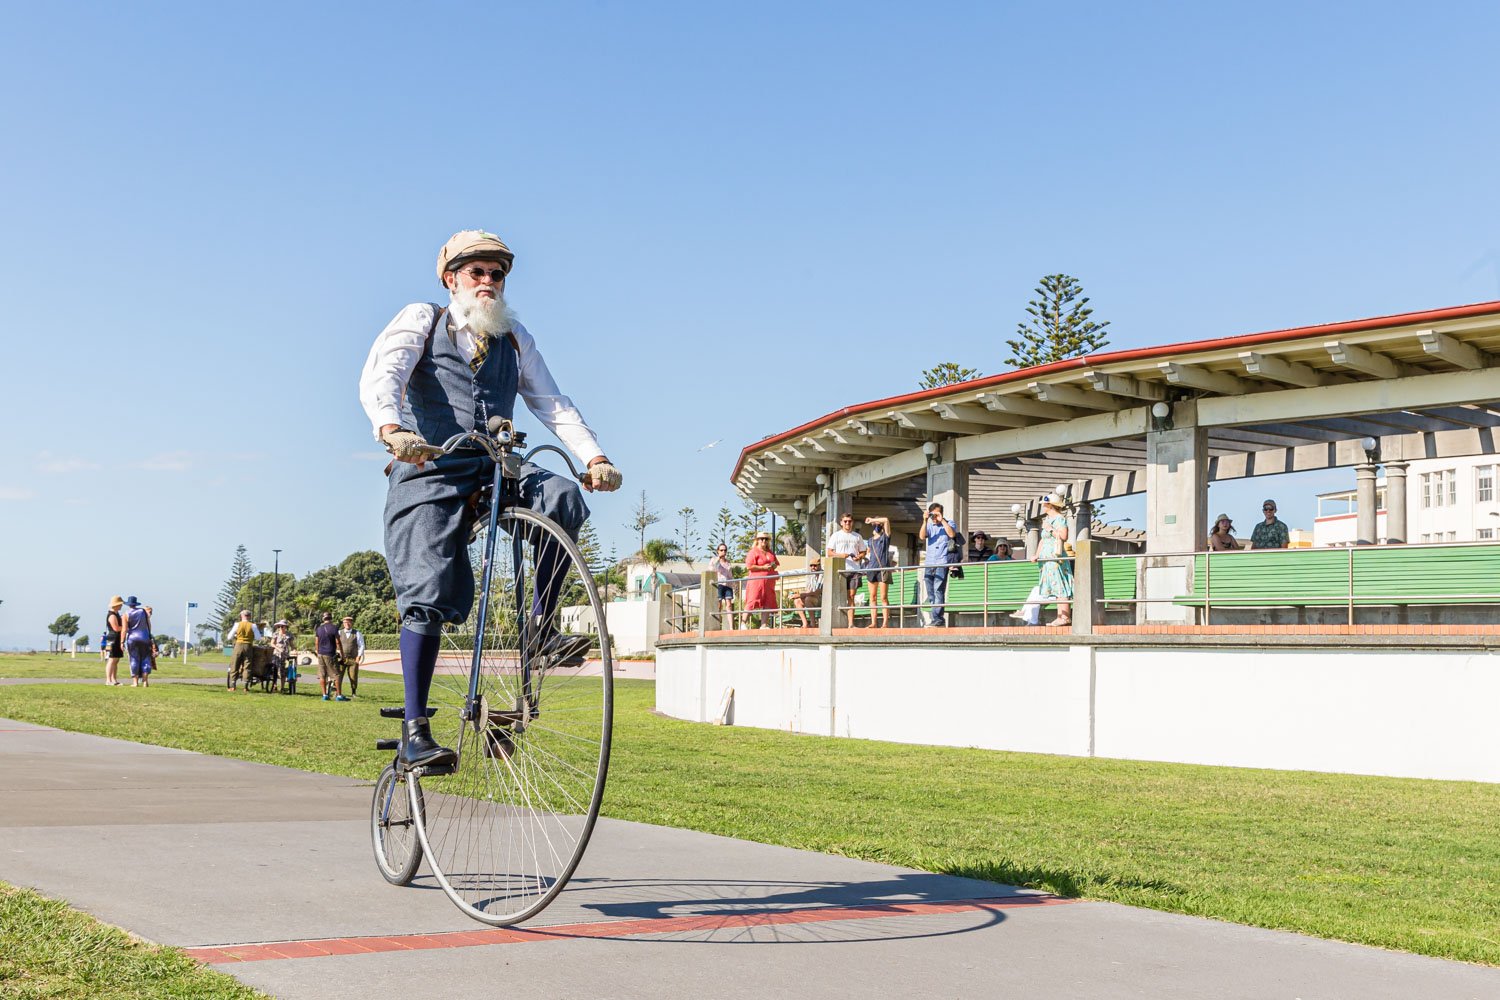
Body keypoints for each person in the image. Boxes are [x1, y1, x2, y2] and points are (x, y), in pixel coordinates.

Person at [359, 229, 623, 770]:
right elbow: (384, 372)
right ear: (451, 278)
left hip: (495, 462)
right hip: (430, 459)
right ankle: (415, 730)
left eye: (497, 275)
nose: (489, 283)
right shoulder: (423, 319)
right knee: (427, 582)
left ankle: (541, 631)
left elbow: (552, 402)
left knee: (562, 498)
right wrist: (390, 427)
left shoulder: (514, 336)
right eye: (477, 272)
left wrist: (594, 457)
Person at [1036, 494, 1074, 626]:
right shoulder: (1047, 519)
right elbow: (1043, 539)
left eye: (1044, 504)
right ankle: (1060, 616)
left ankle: (1065, 617)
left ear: (1050, 505)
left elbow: (1064, 536)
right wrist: (1036, 554)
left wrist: (1050, 529)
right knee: (1054, 585)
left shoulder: (1059, 519)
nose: (1042, 506)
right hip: (1046, 558)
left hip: (1056, 557)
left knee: (1060, 585)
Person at [825, 513, 868, 627]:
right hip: (840, 570)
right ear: (841, 523)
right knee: (840, 596)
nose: (847, 523)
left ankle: (850, 623)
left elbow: (863, 551)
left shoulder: (857, 536)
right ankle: (836, 623)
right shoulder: (836, 535)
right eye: (845, 521)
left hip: (854, 570)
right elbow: (829, 553)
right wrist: (840, 555)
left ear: (852, 522)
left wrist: (859, 556)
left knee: (852, 596)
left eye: (849, 521)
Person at [921, 502, 958, 627]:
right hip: (929, 563)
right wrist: (925, 520)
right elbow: (922, 536)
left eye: (936, 514)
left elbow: (952, 534)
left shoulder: (949, 523)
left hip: (942, 562)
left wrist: (942, 520)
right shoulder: (930, 525)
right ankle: (935, 617)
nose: (934, 518)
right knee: (930, 591)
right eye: (933, 515)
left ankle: (938, 619)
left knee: (938, 590)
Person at [742, 532, 779, 628]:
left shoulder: (770, 552)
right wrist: (763, 567)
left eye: (766, 539)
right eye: (761, 538)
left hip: (769, 581)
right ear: (757, 540)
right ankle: (743, 623)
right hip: (756, 581)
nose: (764, 541)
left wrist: (772, 566)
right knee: (752, 600)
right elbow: (749, 567)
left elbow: (775, 563)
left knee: (768, 601)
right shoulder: (753, 552)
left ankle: (763, 624)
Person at [862, 516, 893, 628]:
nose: (877, 526)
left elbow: (886, 520)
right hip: (871, 569)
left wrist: (873, 520)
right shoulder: (870, 541)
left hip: (883, 569)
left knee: (883, 597)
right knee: (872, 596)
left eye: (878, 524)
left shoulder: (885, 537)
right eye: (875, 524)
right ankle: (874, 622)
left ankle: (885, 623)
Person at [313, 612, 347, 702]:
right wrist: (342, 654)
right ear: (331, 618)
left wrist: (318, 652)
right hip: (330, 654)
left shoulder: (319, 629)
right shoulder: (334, 628)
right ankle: (339, 696)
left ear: (323, 619)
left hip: (321, 654)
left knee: (322, 675)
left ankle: (324, 695)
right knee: (336, 675)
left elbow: (316, 642)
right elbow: (338, 642)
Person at [225, 610, 261, 692]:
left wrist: (236, 635)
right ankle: (245, 686)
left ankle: (233, 686)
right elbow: (258, 637)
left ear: (241, 616)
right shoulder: (253, 625)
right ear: (249, 616)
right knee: (247, 665)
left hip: (238, 645)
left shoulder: (237, 624)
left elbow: (229, 637)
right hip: (248, 646)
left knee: (235, 664)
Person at [121, 597, 153, 688]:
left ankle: (135, 682)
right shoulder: (143, 612)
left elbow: (124, 629)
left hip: (132, 638)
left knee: (134, 659)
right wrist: (149, 634)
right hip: (144, 637)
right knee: (146, 658)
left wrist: (122, 642)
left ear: (128, 604)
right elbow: (148, 624)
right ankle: (145, 681)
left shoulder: (125, 614)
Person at [337, 616, 366, 697]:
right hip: (341, 659)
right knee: (339, 676)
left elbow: (361, 645)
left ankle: (353, 692)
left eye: (349, 622)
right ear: (343, 623)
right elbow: (335, 644)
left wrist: (358, 657)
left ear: (352, 623)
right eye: (345, 622)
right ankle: (338, 692)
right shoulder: (339, 633)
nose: (347, 624)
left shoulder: (357, 633)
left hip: (353, 659)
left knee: (353, 676)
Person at [791, 556, 824, 627]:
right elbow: (808, 591)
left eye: (815, 565)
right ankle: (805, 624)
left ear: (819, 565)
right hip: (814, 599)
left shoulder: (823, 575)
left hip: (823, 600)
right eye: (811, 566)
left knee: (808, 599)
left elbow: (817, 592)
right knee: (797, 601)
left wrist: (801, 595)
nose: (813, 567)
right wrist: (797, 595)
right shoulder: (812, 577)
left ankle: (813, 623)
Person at [709, 543, 735, 628]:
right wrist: (718, 558)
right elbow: (711, 569)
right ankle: (717, 625)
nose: (723, 552)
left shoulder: (728, 563)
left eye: (725, 550)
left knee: (729, 605)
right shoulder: (714, 560)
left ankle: (731, 627)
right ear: (718, 551)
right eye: (721, 550)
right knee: (719, 605)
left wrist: (734, 584)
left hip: (727, 585)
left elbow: (730, 575)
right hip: (719, 584)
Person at [103, 595, 124, 686]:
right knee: (111, 660)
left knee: (116, 660)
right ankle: (108, 680)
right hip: (113, 639)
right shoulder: (112, 615)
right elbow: (116, 628)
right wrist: (125, 628)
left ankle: (114, 679)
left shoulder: (117, 614)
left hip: (117, 638)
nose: (121, 606)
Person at [269, 620, 295, 693]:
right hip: (277, 654)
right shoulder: (276, 634)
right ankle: (274, 685)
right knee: (275, 669)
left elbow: (291, 644)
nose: (280, 627)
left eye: (282, 626)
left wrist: (294, 649)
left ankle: (282, 687)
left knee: (283, 670)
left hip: (285, 654)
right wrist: (278, 648)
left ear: (285, 627)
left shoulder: (289, 634)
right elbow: (272, 643)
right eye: (279, 626)